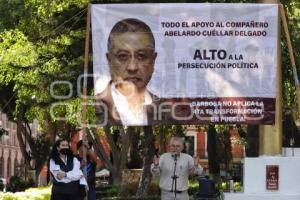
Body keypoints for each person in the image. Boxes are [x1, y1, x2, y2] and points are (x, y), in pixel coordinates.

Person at [95, 18, 159, 126]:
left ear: (153, 61)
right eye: (123, 56)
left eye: (142, 56)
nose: (132, 67)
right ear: (109, 60)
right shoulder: (96, 105)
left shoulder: (166, 109)